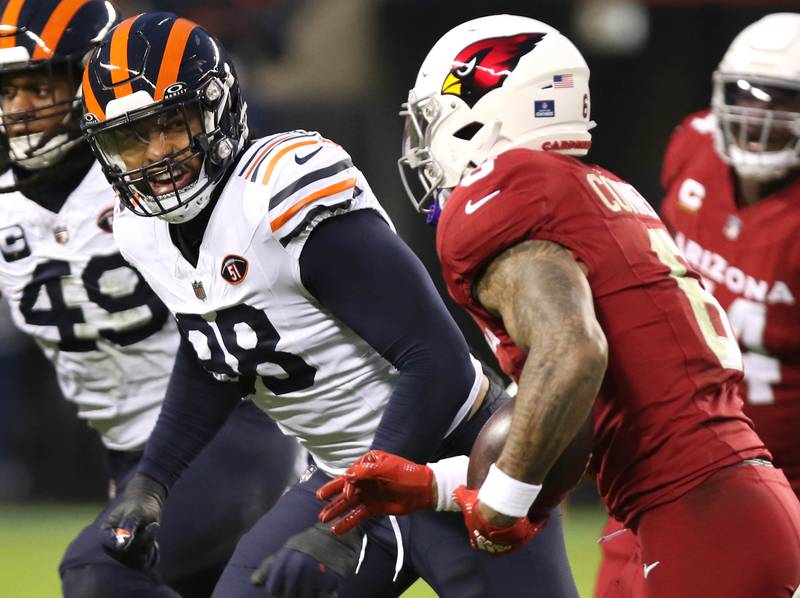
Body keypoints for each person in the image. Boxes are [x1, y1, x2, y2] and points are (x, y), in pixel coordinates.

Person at [80, 11, 581, 598]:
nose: (157, 154)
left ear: (215, 109)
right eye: (131, 138)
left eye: (172, 124)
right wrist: (153, 481)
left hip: (456, 458)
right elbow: (219, 351)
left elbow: (437, 361)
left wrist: (361, 517)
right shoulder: (141, 231)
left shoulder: (276, 196)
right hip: (342, 479)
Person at [316, 14, 800, 597]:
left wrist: (498, 509)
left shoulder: (503, 199)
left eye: (433, 122)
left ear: (485, 116)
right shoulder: (594, 191)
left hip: (700, 513)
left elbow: (571, 354)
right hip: (697, 505)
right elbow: (571, 418)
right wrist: (435, 486)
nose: (424, 147)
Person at [0, 1, 300, 596]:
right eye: (8, 91)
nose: (20, 108)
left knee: (96, 575)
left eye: (39, 86)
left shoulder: (155, 172)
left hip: (228, 433)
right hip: (127, 453)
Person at [595, 12, 800, 597]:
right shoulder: (694, 147)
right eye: (746, 97)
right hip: (667, 458)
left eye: (781, 102)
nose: (757, 119)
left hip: (779, 477)